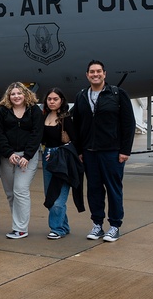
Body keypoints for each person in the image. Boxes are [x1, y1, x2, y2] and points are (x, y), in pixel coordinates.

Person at [71, 60, 136, 243]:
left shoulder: (117, 94)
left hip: (112, 152)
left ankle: (114, 225)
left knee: (114, 189)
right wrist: (79, 150)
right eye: (92, 72)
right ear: (87, 75)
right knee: (94, 190)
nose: (95, 74)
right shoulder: (82, 96)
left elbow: (128, 123)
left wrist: (125, 151)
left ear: (104, 74)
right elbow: (77, 125)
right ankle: (97, 224)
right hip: (89, 152)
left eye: (98, 71)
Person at [0, 82, 44, 239]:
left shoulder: (34, 110)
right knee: (10, 193)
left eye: (19, 93)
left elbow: (37, 134)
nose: (16, 96)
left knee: (20, 190)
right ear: (8, 96)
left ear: (26, 95)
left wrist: (27, 156)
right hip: (8, 156)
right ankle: (16, 225)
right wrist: (9, 153)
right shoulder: (2, 111)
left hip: (27, 157)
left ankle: (21, 228)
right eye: (13, 94)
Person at [40, 87, 75, 239]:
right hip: (47, 156)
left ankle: (57, 229)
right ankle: (63, 226)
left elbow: (74, 140)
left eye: (55, 99)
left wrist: (58, 153)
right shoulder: (44, 116)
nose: (52, 101)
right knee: (50, 194)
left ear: (61, 101)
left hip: (62, 159)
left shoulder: (65, 118)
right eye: (49, 99)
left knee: (58, 198)